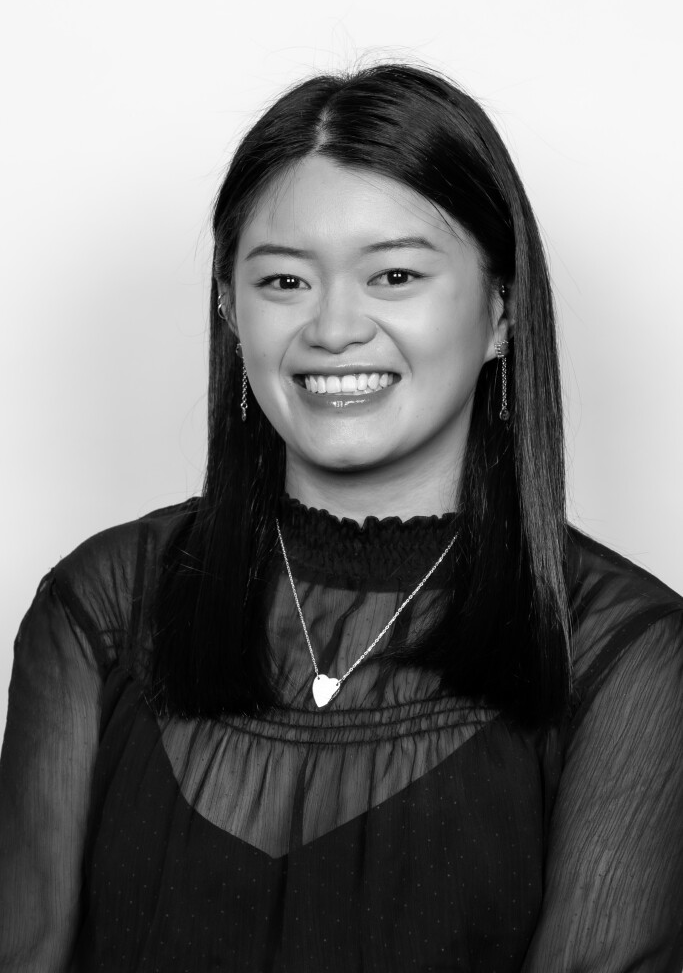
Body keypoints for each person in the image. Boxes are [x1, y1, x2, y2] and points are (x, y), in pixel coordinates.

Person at [1, 63, 681, 973]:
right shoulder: (101, 604)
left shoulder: (622, 650)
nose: (331, 329)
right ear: (229, 310)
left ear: (501, 311)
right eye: (283, 281)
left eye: (393, 274)